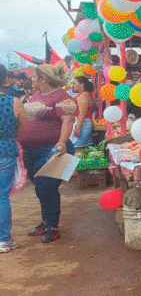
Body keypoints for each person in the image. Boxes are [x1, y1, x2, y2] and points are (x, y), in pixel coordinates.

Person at [17, 63, 76, 243]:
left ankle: (52, 226)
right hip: (30, 151)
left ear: (43, 79)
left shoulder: (61, 96)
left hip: (54, 148)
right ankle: (46, 221)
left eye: (34, 77)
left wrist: (62, 141)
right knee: (41, 188)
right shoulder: (36, 95)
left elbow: (68, 120)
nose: (31, 79)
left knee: (45, 185)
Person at [0, 64, 28, 253]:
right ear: (5, 79)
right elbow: (22, 128)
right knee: (1, 195)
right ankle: (3, 239)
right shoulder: (14, 102)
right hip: (6, 149)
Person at [69, 77, 94, 149]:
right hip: (85, 122)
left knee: (77, 148)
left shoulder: (83, 96)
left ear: (82, 85)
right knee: (83, 148)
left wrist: (78, 127)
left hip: (83, 123)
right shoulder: (87, 94)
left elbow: (82, 113)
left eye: (75, 83)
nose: (74, 85)